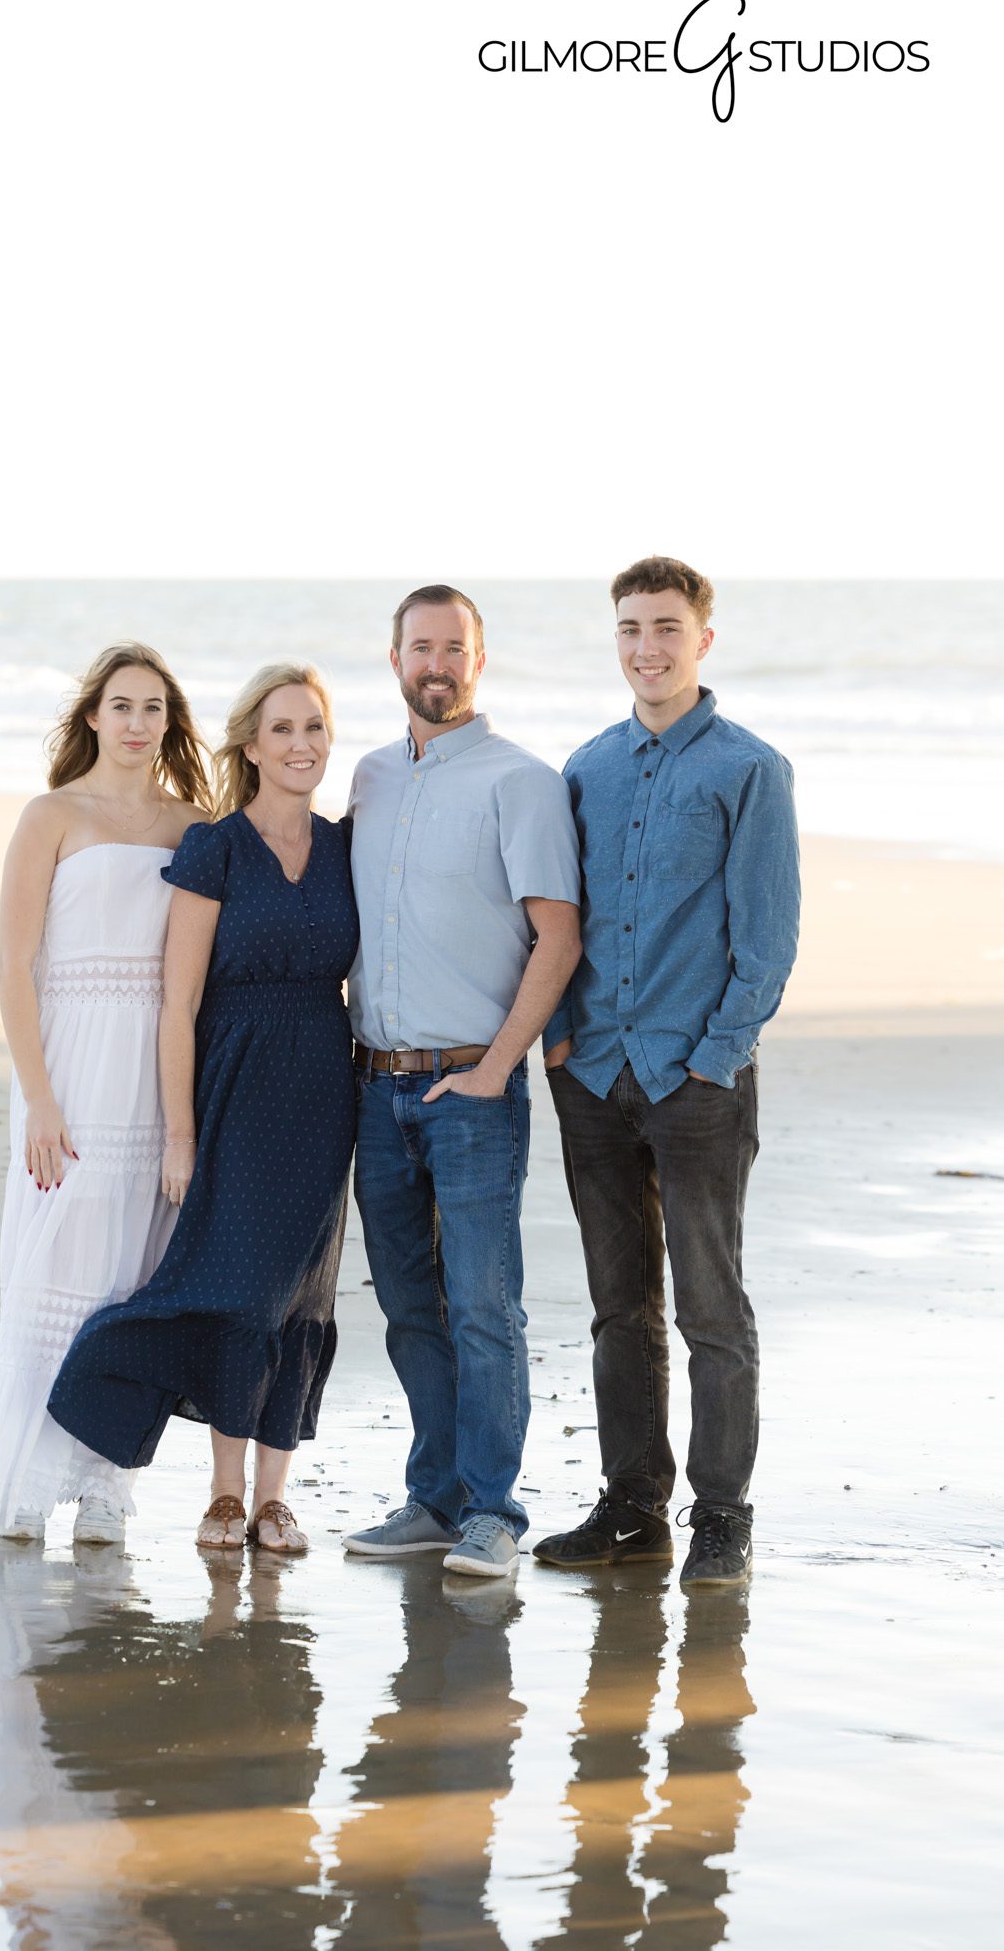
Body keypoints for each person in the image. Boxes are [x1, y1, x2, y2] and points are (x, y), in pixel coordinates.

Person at [47, 663, 359, 1555]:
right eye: (282, 729)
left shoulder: (347, 846)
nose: (300, 745)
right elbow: (177, 1004)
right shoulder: (213, 848)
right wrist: (179, 1135)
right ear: (250, 747)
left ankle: (273, 1498)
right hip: (233, 1084)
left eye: (313, 728)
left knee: (300, 1295)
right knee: (233, 1292)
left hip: (321, 1088)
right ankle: (223, 1493)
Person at [533, 556, 800, 1587]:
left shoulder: (749, 768)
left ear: (703, 640)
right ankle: (632, 1508)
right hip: (593, 1074)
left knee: (710, 1309)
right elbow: (558, 917)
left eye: (666, 628)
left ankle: (721, 1517)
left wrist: (715, 1058)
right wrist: (561, 1036)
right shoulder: (586, 767)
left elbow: (766, 938)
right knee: (618, 1308)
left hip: (697, 1081)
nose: (646, 647)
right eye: (630, 628)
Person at [342, 587, 581, 1579]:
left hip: (470, 1090)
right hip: (375, 1086)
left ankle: (493, 1510)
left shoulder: (521, 781)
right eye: (420, 646)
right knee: (408, 1307)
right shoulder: (368, 777)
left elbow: (557, 937)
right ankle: (433, 1498)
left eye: (454, 647)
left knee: (484, 1306)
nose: (435, 663)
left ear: (479, 660)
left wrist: (494, 1068)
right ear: (394, 658)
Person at [0, 642, 211, 1544]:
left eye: (153, 709)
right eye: (122, 706)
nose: (137, 723)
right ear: (94, 718)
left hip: (154, 1070)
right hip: (68, 1068)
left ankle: (108, 1485)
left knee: (133, 1278)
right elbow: (12, 965)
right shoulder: (51, 816)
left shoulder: (194, 827)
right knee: (52, 1274)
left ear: (170, 725)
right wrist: (38, 1098)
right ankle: (28, 1480)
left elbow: (196, 977)